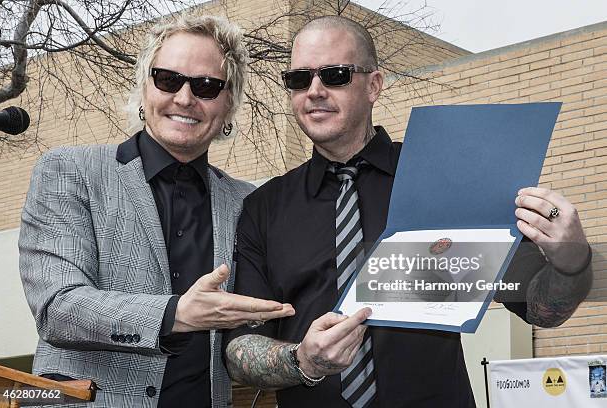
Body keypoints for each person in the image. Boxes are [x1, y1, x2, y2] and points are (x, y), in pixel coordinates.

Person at [223, 16, 592, 408]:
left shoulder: (447, 180)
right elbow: (238, 351)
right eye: (300, 78)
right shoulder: (264, 208)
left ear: (374, 85)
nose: (315, 90)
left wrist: (571, 262)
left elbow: (539, 308)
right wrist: (302, 360)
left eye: (335, 75)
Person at [18, 13, 294, 408]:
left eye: (206, 86)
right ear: (145, 85)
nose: (184, 98)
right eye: (168, 79)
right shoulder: (68, 170)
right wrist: (175, 313)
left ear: (228, 101)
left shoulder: (246, 203)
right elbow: (58, 308)